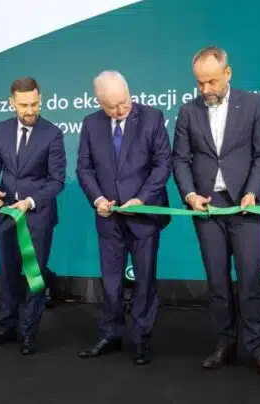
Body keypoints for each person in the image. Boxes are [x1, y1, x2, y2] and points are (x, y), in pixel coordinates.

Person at [172, 46, 260, 383]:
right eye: (200, 83)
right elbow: (180, 160)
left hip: (245, 206)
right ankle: (225, 343)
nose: (205, 89)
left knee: (250, 281)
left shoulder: (253, 104)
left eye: (212, 81)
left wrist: (252, 191)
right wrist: (190, 195)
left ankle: (259, 349)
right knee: (217, 282)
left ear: (228, 73)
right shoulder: (188, 112)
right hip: (207, 210)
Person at [76, 71, 171, 365]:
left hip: (143, 216)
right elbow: (84, 169)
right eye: (112, 106)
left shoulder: (152, 118)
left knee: (144, 280)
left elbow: (163, 164)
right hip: (108, 218)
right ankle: (110, 333)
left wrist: (141, 199)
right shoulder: (90, 124)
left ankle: (142, 338)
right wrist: (97, 199)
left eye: (124, 102)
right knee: (111, 281)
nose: (120, 110)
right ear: (99, 102)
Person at [0, 77, 66, 355]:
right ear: (12, 103)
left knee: (34, 276)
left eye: (35, 104)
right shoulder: (1, 130)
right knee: (8, 275)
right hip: (6, 214)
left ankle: (28, 333)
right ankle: (6, 327)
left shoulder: (53, 134)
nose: (30, 110)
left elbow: (57, 180)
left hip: (37, 217)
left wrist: (29, 202)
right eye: (24, 105)